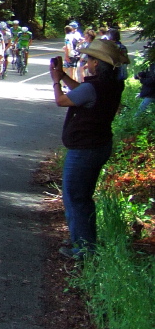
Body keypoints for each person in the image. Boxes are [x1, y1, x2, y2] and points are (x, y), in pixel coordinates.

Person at [49, 39, 129, 259]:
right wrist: (64, 76)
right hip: (98, 145)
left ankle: (84, 249)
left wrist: (56, 82)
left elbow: (63, 101)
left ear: (97, 64)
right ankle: (81, 239)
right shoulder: (110, 85)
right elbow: (81, 91)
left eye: (90, 59)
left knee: (76, 197)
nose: (86, 62)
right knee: (79, 195)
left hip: (86, 149)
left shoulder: (94, 87)